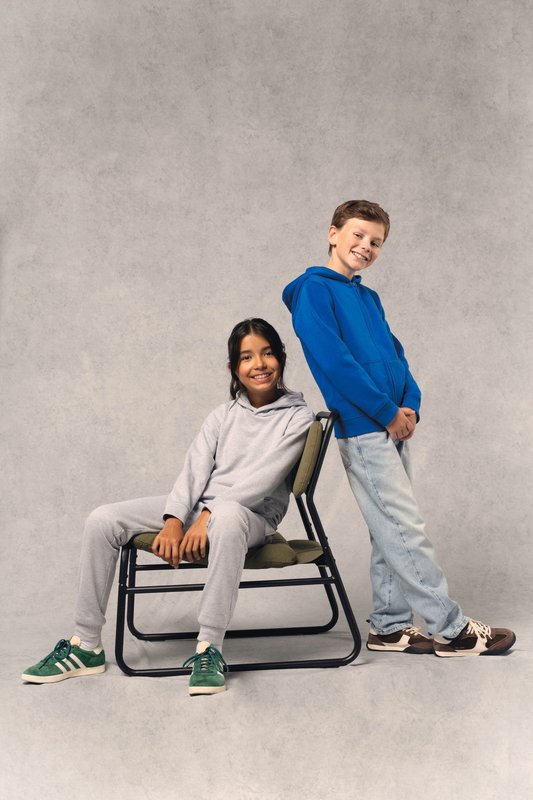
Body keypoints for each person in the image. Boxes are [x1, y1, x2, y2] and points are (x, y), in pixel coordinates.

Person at [21, 318, 315, 693]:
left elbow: (263, 480)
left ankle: (209, 647)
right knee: (102, 519)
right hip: (201, 510)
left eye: (268, 353)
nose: (259, 364)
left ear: (282, 358)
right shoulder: (222, 416)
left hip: (251, 517)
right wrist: (174, 519)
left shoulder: (298, 417)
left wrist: (207, 517)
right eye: (247, 357)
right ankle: (86, 644)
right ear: (233, 368)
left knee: (226, 516)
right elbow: (193, 471)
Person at [282, 200, 515, 657]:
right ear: (333, 234)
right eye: (357, 235)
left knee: (387, 529)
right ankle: (452, 630)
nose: (365, 246)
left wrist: (410, 406)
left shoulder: (368, 298)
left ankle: (389, 627)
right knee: (405, 527)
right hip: (364, 427)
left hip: (392, 423)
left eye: (376, 242)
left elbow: (396, 356)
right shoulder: (313, 291)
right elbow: (336, 364)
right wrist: (386, 412)